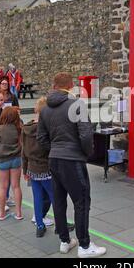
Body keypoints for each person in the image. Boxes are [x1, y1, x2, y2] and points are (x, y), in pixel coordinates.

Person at [37, 72, 106, 258]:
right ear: (71, 85)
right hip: (72, 159)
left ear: (54, 85)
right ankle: (84, 246)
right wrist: (86, 153)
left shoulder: (44, 109)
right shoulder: (77, 105)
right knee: (82, 201)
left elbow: (41, 138)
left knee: (59, 201)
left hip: (55, 158)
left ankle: (65, 241)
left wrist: (55, 149)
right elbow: (86, 134)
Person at [22, 96, 76, 238]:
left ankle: (40, 225)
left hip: (32, 169)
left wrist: (24, 169)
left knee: (37, 198)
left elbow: (23, 152)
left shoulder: (26, 128)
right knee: (56, 198)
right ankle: (60, 225)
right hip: (46, 169)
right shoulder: (46, 129)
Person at [0, 107, 23, 221]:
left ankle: (2, 214)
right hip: (16, 159)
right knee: (16, 186)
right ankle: (18, 213)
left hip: (2, 160)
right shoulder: (19, 128)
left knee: (2, 187)